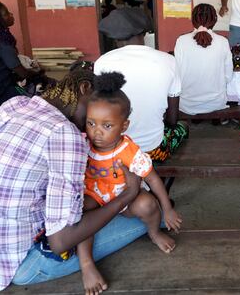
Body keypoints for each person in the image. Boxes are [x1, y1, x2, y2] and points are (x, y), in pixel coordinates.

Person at [0, 69, 149, 292]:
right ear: (84, 89)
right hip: (26, 263)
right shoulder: (64, 134)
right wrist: (128, 195)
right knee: (147, 212)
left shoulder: (14, 105)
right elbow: (61, 241)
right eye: (91, 120)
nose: (92, 130)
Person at [77, 72, 182, 294]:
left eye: (107, 126)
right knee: (82, 211)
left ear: (124, 126)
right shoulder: (83, 144)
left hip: (125, 197)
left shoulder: (127, 151)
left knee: (147, 205)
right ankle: (86, 263)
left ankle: (153, 232)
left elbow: (152, 177)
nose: (97, 131)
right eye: (91, 123)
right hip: (96, 198)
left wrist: (168, 208)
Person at [94, 16, 188, 163]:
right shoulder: (168, 60)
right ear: (144, 33)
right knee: (183, 127)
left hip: (114, 151)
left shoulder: (102, 62)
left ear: (115, 38)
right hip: (153, 150)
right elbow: (172, 119)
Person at [174, 4, 232, 115]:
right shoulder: (223, 41)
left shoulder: (181, 41)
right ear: (214, 20)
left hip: (187, 104)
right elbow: (228, 77)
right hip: (216, 103)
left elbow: (177, 75)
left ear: (193, 20)